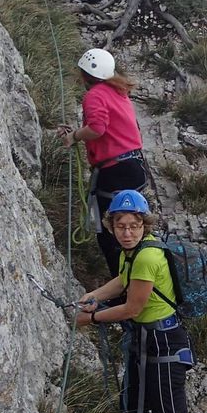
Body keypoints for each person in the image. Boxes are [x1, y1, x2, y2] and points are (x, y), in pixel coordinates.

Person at [76, 190, 202, 413]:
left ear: (144, 225)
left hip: (164, 344)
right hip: (153, 340)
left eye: (133, 226)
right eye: (121, 226)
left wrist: (93, 318)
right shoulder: (132, 253)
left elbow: (133, 307)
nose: (127, 232)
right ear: (113, 227)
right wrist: (93, 296)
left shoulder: (146, 257)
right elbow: (123, 281)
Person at [57, 48, 147, 277]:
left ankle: (123, 288)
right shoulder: (118, 90)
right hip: (134, 167)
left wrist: (74, 137)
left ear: (85, 74)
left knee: (111, 234)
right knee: (131, 228)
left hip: (115, 171)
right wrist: (78, 131)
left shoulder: (95, 94)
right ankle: (140, 279)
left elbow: (98, 128)